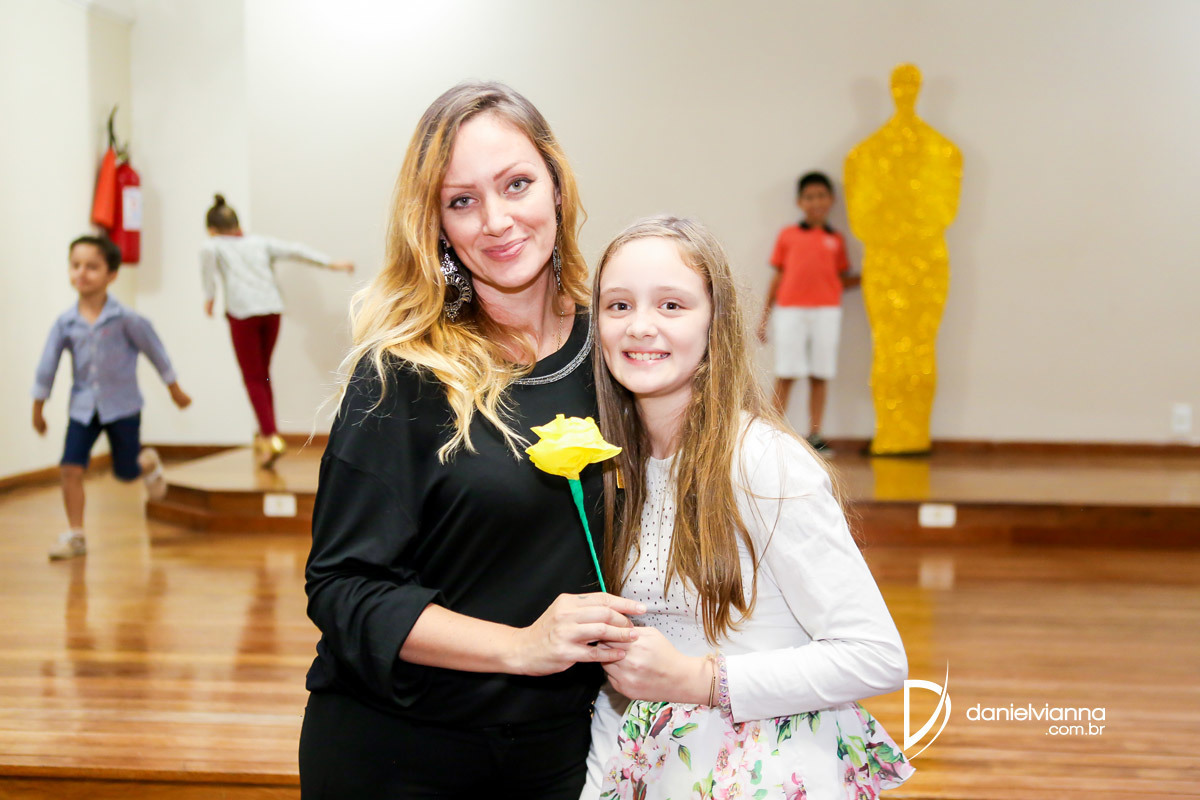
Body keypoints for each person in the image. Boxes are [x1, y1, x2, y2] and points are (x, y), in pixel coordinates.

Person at [298, 82, 643, 800]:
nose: (496, 221)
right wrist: (521, 646)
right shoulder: (401, 373)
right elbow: (343, 588)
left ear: (556, 185)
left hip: (561, 750)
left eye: (517, 184)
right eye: (462, 201)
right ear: (437, 225)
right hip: (403, 754)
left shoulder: (616, 351)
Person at [585, 216, 914, 799]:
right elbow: (631, 673)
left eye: (671, 305)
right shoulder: (619, 467)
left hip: (765, 770)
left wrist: (699, 678)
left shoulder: (763, 462)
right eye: (619, 305)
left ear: (716, 322)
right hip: (665, 767)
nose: (640, 326)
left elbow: (875, 656)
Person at [32, 235, 192, 560]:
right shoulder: (65, 323)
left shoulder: (127, 319)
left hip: (123, 408)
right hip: (82, 409)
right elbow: (47, 365)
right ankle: (76, 534)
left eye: (92, 267)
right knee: (70, 468)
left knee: (126, 473)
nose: (82, 273)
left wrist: (174, 389)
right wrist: (38, 408)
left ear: (112, 275)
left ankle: (148, 463)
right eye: (76, 265)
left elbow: (155, 352)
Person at [200, 194, 354, 468]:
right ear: (237, 224)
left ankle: (271, 436)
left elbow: (208, 274)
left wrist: (209, 298)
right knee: (262, 375)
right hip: (271, 311)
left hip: (243, 315)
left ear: (212, 229)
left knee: (253, 378)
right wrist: (330, 263)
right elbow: (295, 250)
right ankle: (267, 433)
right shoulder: (258, 242)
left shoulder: (211, 245)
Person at [757, 172, 860, 453]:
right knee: (787, 372)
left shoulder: (836, 239)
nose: (816, 202)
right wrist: (764, 317)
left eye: (821, 196)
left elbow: (839, 279)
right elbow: (778, 276)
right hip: (791, 311)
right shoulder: (788, 236)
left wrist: (870, 277)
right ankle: (771, 430)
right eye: (810, 197)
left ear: (831, 199)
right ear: (800, 202)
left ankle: (815, 434)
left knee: (820, 372)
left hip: (827, 312)